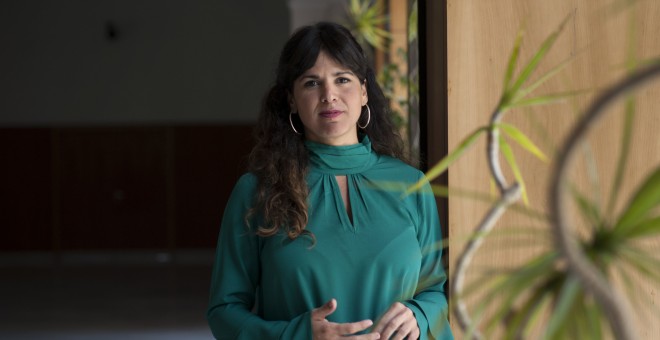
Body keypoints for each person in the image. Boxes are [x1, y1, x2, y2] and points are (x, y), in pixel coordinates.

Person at [207, 22, 453, 340]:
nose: (329, 96)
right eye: (312, 83)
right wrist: (294, 335)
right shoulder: (257, 192)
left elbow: (434, 291)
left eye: (342, 79)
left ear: (364, 91)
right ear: (292, 100)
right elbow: (224, 311)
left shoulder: (412, 185)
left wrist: (419, 315)